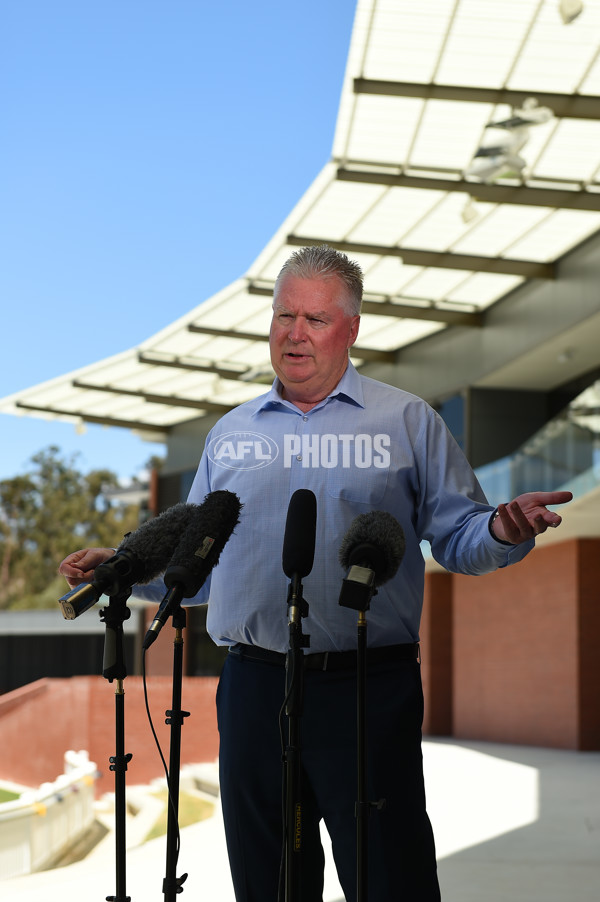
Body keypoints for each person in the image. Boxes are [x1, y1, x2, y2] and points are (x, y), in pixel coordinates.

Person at [60, 245, 572, 902]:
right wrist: (130, 571)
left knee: (390, 882)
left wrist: (503, 528)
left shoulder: (407, 423)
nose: (294, 334)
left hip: (368, 693)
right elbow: (204, 568)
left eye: (316, 319)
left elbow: (459, 536)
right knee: (269, 883)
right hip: (252, 690)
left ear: (352, 330)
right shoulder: (229, 434)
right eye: (284, 317)